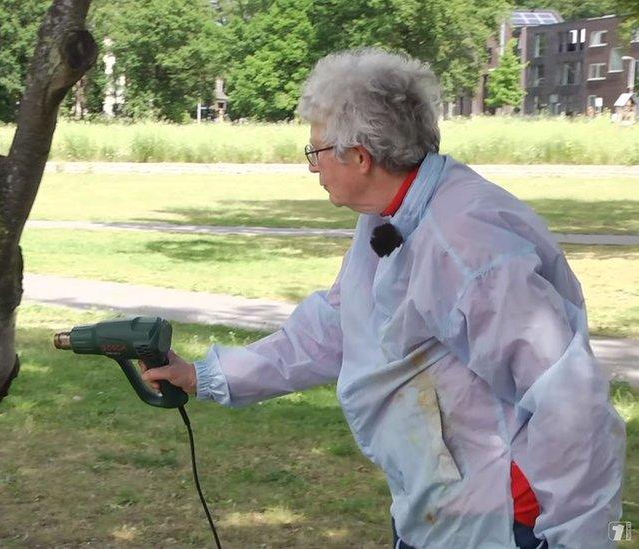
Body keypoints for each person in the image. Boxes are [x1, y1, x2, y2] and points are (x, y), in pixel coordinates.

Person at [142, 48, 625, 548]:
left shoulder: (467, 242)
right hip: (439, 506)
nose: (313, 168)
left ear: (360, 156)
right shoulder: (391, 213)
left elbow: (568, 399)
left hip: (500, 521)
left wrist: (579, 538)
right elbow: (336, 328)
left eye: (316, 152)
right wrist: (207, 376)